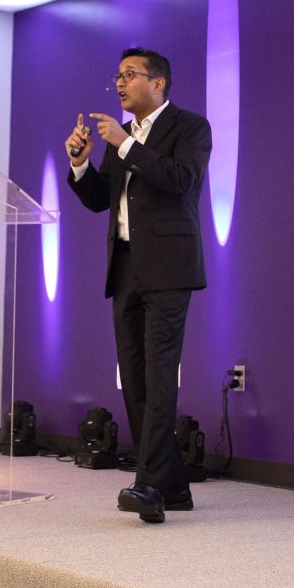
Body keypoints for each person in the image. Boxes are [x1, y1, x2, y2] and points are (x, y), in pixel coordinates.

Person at [65, 47, 212, 524]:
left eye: (130, 75)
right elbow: (97, 201)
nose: (121, 83)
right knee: (133, 379)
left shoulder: (190, 127)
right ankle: (174, 486)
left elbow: (181, 180)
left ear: (159, 83)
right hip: (126, 266)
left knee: (159, 374)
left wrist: (126, 147)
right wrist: (82, 164)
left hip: (170, 268)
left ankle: (148, 484)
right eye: (118, 75)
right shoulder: (121, 136)